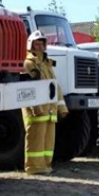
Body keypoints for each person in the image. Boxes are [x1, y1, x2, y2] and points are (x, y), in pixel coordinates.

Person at [22, 31, 68, 174]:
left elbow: (55, 87)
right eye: (37, 43)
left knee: (47, 142)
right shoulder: (28, 64)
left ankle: (46, 166)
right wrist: (36, 108)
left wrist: (62, 108)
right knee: (35, 140)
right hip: (37, 111)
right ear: (31, 45)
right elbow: (27, 89)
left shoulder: (47, 63)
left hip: (50, 110)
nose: (40, 46)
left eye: (42, 43)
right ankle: (34, 167)